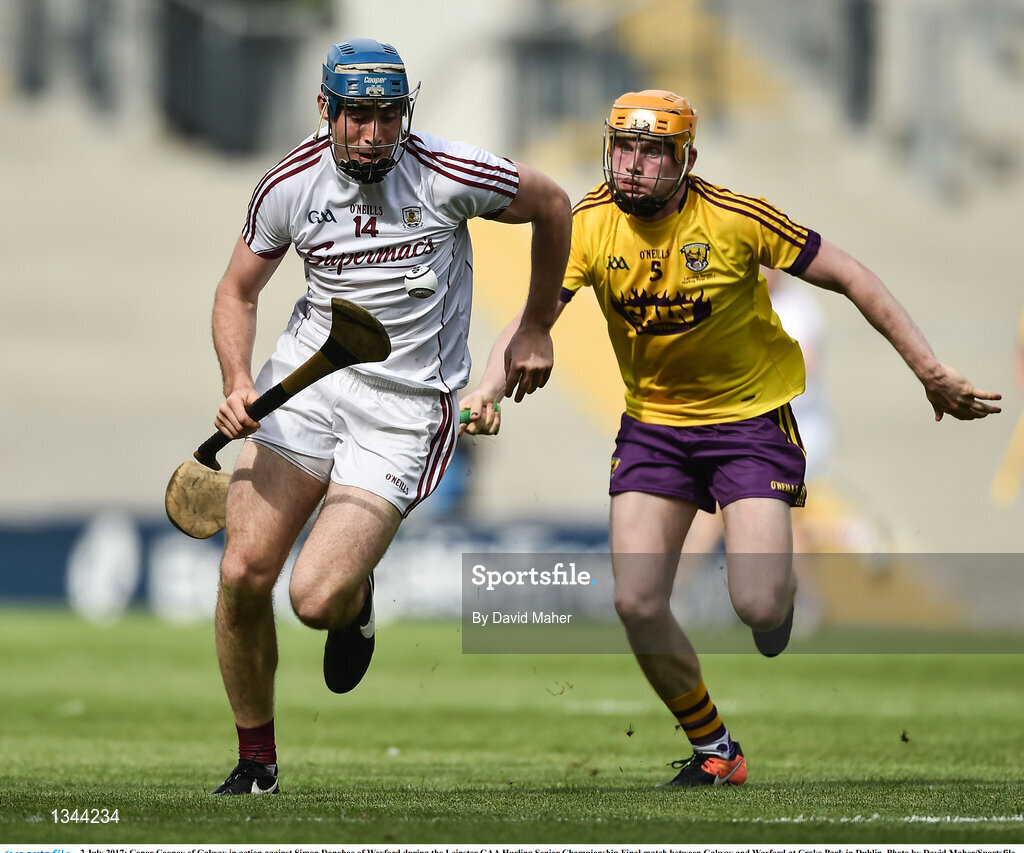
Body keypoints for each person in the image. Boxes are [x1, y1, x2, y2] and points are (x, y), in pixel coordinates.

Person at [461, 89, 1001, 788]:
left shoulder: (735, 218)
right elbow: (533, 317)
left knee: (758, 604)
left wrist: (927, 368)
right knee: (635, 600)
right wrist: (485, 386)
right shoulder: (588, 222)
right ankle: (716, 747)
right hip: (654, 427)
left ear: (686, 158)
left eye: (653, 152)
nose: (633, 165)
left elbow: (850, 275)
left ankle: (775, 604)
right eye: (625, 147)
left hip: (748, 424)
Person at [205, 38, 570, 795]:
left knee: (313, 599)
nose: (374, 134)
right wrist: (238, 378)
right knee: (242, 572)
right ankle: (256, 762)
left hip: (403, 410)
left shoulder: (448, 172)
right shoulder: (290, 184)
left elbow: (554, 204)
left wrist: (535, 323)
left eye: (389, 116)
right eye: (358, 116)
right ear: (324, 111)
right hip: (306, 382)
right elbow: (237, 291)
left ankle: (356, 598)